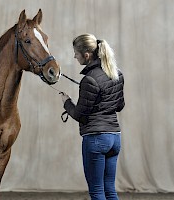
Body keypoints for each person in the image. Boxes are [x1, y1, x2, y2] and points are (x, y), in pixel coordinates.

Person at [60, 33, 125, 200]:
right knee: (110, 190)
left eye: (76, 53)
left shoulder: (89, 79)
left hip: (96, 139)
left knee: (97, 191)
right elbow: (120, 106)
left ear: (86, 55)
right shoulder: (116, 73)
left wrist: (67, 102)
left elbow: (79, 115)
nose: (74, 56)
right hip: (115, 138)